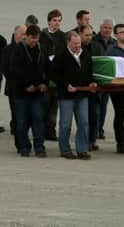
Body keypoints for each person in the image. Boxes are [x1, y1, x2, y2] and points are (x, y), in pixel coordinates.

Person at [52, 31, 97, 160]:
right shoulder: (61, 55)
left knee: (84, 122)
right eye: (75, 43)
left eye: (79, 43)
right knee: (66, 123)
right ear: (68, 42)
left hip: (82, 94)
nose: (78, 46)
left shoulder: (86, 54)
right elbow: (54, 75)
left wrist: (92, 82)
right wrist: (66, 85)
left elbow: (90, 73)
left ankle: (82, 149)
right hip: (66, 96)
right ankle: (65, 149)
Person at [10, 25, 49, 157]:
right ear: (26, 36)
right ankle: (24, 147)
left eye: (37, 38)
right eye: (32, 38)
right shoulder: (18, 50)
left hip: (38, 93)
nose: (34, 41)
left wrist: (45, 83)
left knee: (38, 119)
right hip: (21, 93)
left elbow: (47, 69)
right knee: (21, 122)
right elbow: (15, 72)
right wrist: (26, 85)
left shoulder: (41, 50)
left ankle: (39, 147)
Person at [106, 23, 124, 153]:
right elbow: (107, 69)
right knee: (120, 115)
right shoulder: (111, 50)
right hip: (117, 89)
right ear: (116, 35)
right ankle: (120, 143)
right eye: (122, 32)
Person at [40, 9, 66, 141]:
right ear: (49, 21)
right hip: (44, 74)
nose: (57, 23)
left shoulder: (63, 36)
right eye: (54, 20)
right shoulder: (42, 35)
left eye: (59, 21)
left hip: (57, 76)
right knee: (44, 103)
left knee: (54, 105)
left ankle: (51, 130)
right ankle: (41, 130)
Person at [78, 24, 104, 152]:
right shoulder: (77, 48)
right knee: (83, 118)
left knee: (95, 115)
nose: (89, 37)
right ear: (80, 35)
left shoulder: (97, 47)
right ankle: (85, 141)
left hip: (95, 88)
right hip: (82, 88)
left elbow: (102, 66)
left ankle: (92, 140)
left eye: (91, 35)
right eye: (87, 35)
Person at [2, 24, 27, 149]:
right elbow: (6, 70)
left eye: (26, 34)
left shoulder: (29, 48)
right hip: (14, 89)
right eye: (22, 34)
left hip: (30, 90)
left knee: (28, 117)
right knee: (17, 117)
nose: (24, 37)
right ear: (16, 35)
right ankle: (19, 143)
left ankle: (25, 140)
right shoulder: (8, 50)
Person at [92, 18, 116, 139]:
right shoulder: (94, 40)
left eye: (109, 28)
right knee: (96, 107)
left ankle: (100, 129)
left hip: (108, 80)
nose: (107, 30)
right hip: (96, 79)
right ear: (100, 28)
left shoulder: (113, 43)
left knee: (104, 106)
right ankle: (95, 130)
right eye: (105, 28)